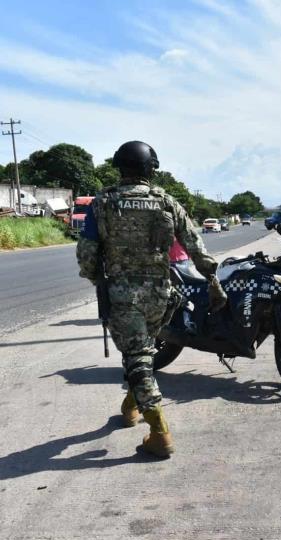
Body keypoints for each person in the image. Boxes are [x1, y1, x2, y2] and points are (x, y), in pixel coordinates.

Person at [76, 140, 228, 458]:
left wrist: (98, 280)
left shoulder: (102, 202)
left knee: (138, 360)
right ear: (150, 169)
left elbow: (88, 253)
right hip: (161, 296)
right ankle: (130, 407)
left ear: (120, 167)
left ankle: (160, 433)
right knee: (141, 351)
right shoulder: (164, 200)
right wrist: (213, 280)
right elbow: (194, 244)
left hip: (123, 297)